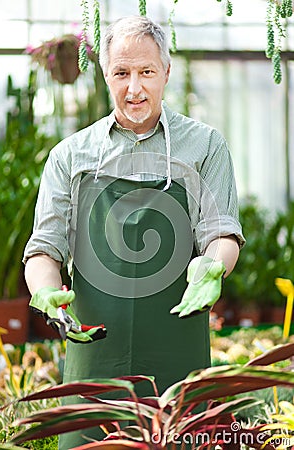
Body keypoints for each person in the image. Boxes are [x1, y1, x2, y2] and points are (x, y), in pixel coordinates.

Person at [23, 15, 245, 448]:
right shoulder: (72, 155)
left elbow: (222, 232)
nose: (134, 88)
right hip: (94, 349)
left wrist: (213, 269)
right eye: (121, 73)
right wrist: (45, 291)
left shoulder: (204, 146)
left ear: (166, 72)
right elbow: (44, 249)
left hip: (177, 344)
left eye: (146, 72)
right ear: (106, 76)